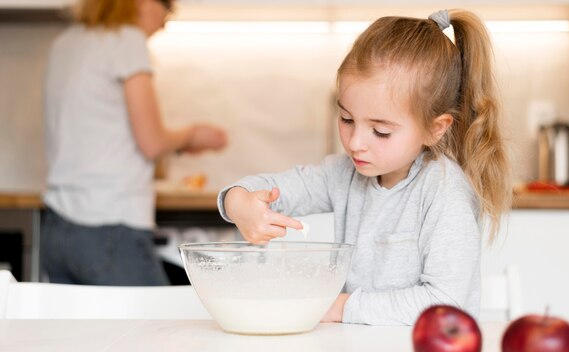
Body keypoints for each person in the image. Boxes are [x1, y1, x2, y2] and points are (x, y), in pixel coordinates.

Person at [217, 9, 511, 325]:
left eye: (380, 130)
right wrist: (238, 203)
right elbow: (271, 188)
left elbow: (445, 304)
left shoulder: (444, 191)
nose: (356, 142)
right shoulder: (344, 173)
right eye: (346, 119)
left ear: (435, 128)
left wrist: (342, 308)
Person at [41, 0, 228, 286]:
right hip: (109, 226)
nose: (165, 21)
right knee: (159, 327)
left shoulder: (65, 44)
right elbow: (151, 142)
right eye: (166, 9)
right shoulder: (127, 39)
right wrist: (191, 134)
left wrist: (176, 144)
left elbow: (101, 131)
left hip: (57, 230)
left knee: (81, 330)